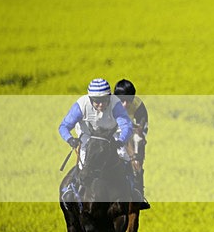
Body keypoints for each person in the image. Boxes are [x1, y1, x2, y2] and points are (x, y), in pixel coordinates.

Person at [59, 78, 133, 200]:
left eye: (104, 100)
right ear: (90, 99)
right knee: (85, 164)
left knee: (125, 157)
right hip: (89, 137)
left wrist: (121, 140)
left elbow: (127, 125)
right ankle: (72, 190)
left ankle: (134, 192)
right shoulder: (81, 105)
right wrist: (70, 139)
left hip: (110, 137)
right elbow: (64, 126)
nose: (101, 105)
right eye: (97, 102)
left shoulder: (115, 104)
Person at [114, 79, 150, 210]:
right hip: (112, 136)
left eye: (129, 101)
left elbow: (143, 126)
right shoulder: (108, 104)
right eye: (122, 101)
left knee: (137, 164)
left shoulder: (138, 105)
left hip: (130, 138)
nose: (126, 104)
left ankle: (139, 195)